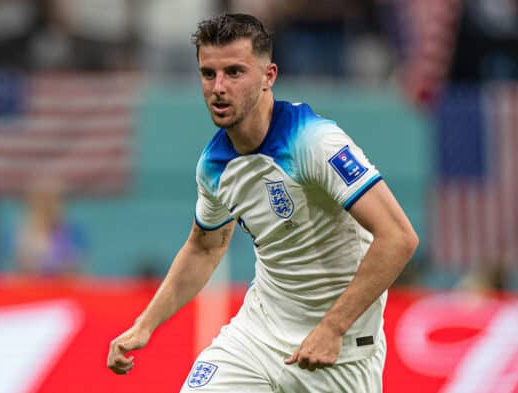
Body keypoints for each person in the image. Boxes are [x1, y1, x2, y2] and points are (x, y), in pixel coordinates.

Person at [107, 13, 418, 392]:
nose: (219, 88)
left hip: (340, 352)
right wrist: (145, 325)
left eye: (235, 72)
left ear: (269, 76)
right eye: (209, 74)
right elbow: (204, 247)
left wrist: (332, 328)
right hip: (256, 338)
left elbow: (399, 238)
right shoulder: (214, 165)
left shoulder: (314, 141)